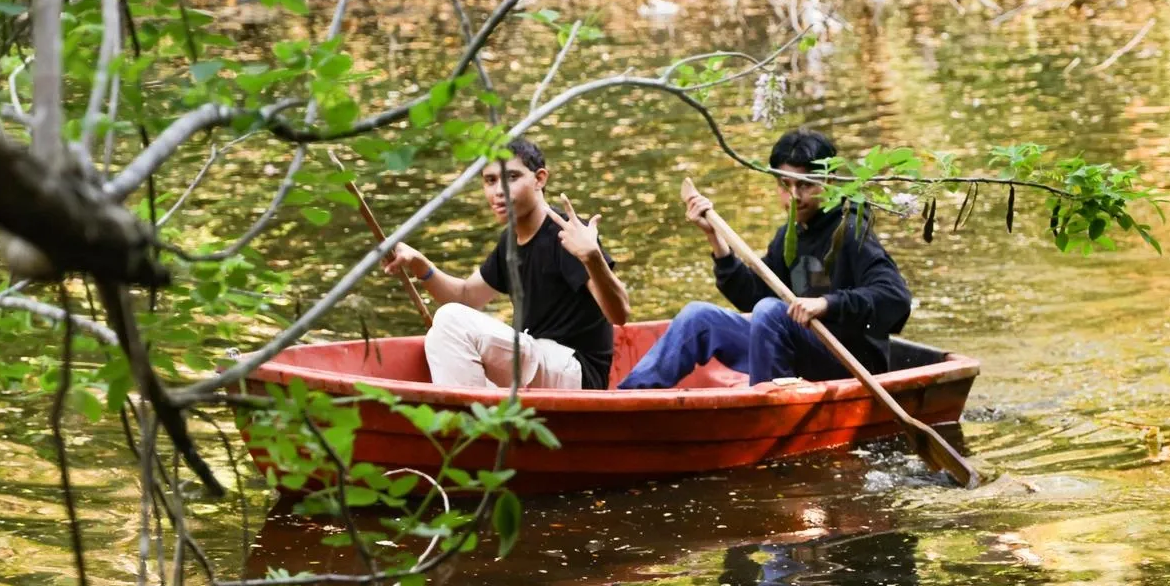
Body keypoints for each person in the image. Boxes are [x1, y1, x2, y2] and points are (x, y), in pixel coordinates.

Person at [618, 127, 911, 389]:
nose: (794, 196)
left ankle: (764, 404)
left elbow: (895, 298)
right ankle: (630, 399)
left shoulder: (851, 230)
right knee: (699, 316)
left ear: (830, 180)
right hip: (802, 351)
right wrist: (715, 238)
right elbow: (753, 297)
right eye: (785, 185)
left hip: (850, 363)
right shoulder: (789, 235)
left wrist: (826, 304)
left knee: (771, 312)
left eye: (805, 184)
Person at [384, 138, 629, 390]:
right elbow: (466, 296)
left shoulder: (566, 234)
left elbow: (620, 314)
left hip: (576, 372)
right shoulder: (510, 242)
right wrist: (420, 265)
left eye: (511, 177)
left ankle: (468, 413)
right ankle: (475, 410)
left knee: (449, 320)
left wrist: (593, 258)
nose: (499, 191)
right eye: (490, 181)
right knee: (438, 335)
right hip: (537, 360)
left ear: (539, 179)